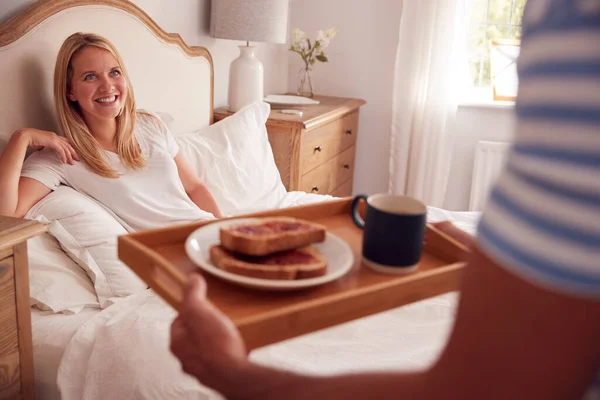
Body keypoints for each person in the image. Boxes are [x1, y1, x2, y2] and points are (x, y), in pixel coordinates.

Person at [170, 0, 600, 398]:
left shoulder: (574, 22)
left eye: (114, 73)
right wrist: (478, 255)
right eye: (96, 75)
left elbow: (479, 388)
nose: (107, 86)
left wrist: (235, 375)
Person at [0, 32, 222, 230]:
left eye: (114, 72)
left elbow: (195, 187)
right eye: (90, 76)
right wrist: (22, 138)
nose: (107, 86)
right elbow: (7, 215)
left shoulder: (150, 125)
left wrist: (224, 229)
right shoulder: (62, 157)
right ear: (70, 91)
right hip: (167, 253)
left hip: (206, 233)